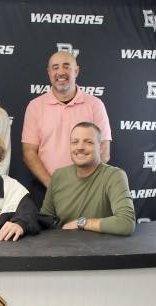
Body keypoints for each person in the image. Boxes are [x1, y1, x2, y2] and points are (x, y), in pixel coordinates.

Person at [22, 51, 112, 206]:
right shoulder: (35, 106)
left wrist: (84, 184)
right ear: (49, 73)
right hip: (46, 190)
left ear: (76, 70)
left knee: (83, 230)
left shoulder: (95, 105)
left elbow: (104, 150)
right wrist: (52, 186)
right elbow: (29, 152)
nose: (60, 72)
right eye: (55, 67)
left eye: (66, 66)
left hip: (87, 190)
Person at [40, 122, 135, 236]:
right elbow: (44, 220)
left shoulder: (114, 176)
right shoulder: (58, 175)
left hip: (100, 250)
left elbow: (125, 223)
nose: (80, 147)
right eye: (75, 142)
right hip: (63, 247)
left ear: (100, 147)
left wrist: (81, 223)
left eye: (88, 142)